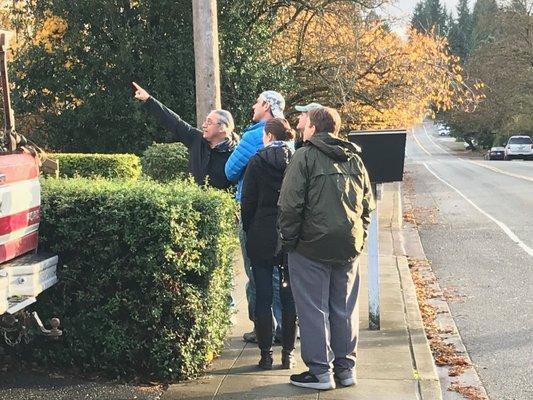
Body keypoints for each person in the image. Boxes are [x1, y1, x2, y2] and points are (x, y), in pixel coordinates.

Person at [278, 107, 375, 390]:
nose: (299, 126)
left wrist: (288, 243)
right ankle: (345, 370)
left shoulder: (304, 156)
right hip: (348, 245)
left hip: (310, 246)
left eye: (303, 121)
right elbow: (367, 205)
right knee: (343, 308)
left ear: (313, 127)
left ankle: (320, 372)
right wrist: (359, 235)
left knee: (312, 309)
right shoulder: (354, 158)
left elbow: (289, 206)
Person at [225, 91, 286, 343]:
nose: (253, 105)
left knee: (256, 271)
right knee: (281, 273)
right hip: (283, 214)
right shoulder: (288, 136)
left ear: (267, 107)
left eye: (258, 101)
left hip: (256, 214)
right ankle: (286, 325)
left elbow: (230, 170)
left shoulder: (252, 136)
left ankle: (263, 328)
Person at [241, 118, 297, 370]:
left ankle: (265, 356)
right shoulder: (297, 161)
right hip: (289, 233)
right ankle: (288, 354)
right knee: (289, 297)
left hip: (261, 233)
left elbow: (247, 201)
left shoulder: (256, 161)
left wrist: (249, 228)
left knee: (263, 296)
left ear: (267, 135)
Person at [132, 82, 237, 190]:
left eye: (209, 122)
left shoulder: (235, 153)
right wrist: (148, 100)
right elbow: (175, 122)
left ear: (222, 128)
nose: (204, 125)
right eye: (205, 121)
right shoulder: (196, 139)